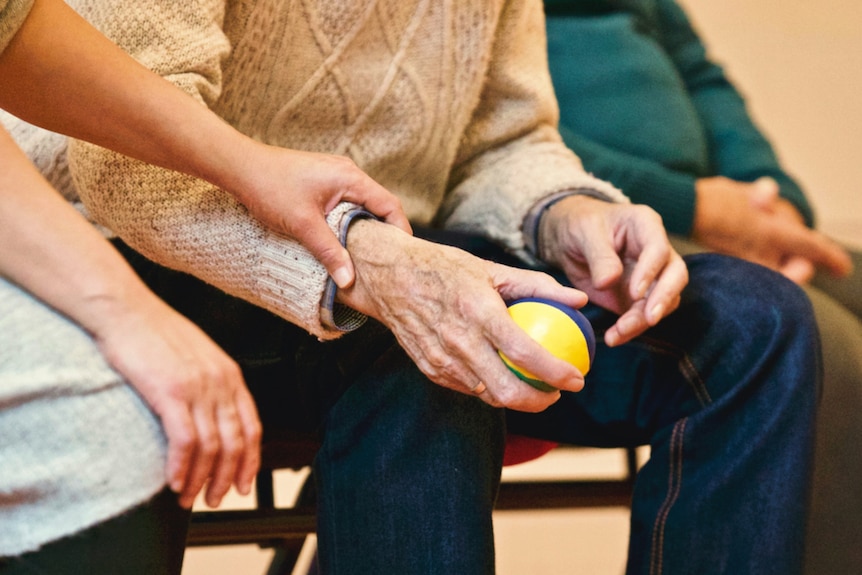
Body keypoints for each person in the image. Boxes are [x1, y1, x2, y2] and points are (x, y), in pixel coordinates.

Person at [3, 0, 823, 573]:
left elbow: (503, 139)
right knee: (430, 344)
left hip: (403, 251)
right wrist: (375, 266)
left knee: (755, 323)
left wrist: (564, 213)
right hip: (166, 248)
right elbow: (125, 168)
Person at [0, 0, 408, 570]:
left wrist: (252, 165)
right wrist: (128, 314)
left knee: (411, 351)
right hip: (97, 235)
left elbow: (14, 30)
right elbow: (114, 170)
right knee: (113, 435)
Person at [541, 1, 861, 572]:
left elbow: (702, 77)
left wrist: (774, 202)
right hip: (583, 225)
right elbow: (497, 132)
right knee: (810, 332)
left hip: (711, 220)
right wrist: (694, 205)